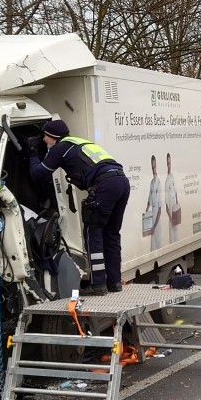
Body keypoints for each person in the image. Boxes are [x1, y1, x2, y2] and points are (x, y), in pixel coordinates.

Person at [28, 119, 131, 295]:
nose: (43, 140)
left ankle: (98, 284)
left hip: (104, 185)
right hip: (121, 182)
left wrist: (32, 153)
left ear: (53, 136)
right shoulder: (78, 142)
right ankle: (114, 282)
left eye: (45, 136)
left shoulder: (61, 147)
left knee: (93, 232)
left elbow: (39, 174)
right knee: (111, 234)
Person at [145, 154, 163, 251]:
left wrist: (154, 227)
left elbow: (160, 210)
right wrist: (146, 211)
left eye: (155, 166)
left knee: (158, 246)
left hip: (157, 223)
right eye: (152, 167)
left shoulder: (159, 183)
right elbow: (149, 199)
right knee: (153, 247)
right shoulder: (151, 182)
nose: (153, 169)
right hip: (152, 219)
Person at [164, 152, 181, 245]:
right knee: (172, 240)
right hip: (171, 216)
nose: (169, 165)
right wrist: (171, 219)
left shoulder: (173, 176)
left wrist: (178, 209)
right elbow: (166, 206)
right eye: (168, 163)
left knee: (177, 238)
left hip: (176, 213)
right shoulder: (166, 181)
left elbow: (176, 192)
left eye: (170, 163)